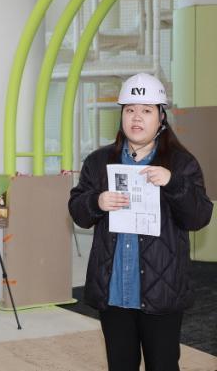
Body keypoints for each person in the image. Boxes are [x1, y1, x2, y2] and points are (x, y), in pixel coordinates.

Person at [68, 73, 213, 371]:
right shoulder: (98, 162)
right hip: (114, 292)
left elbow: (199, 216)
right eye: (130, 110)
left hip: (162, 291)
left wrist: (173, 183)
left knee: (163, 365)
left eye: (146, 110)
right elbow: (78, 211)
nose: (136, 117)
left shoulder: (181, 163)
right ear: (121, 115)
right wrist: (97, 201)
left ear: (161, 117)